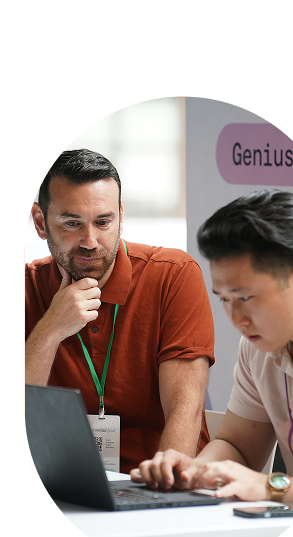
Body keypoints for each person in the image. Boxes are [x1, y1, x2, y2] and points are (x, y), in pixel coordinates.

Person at [133, 190, 293, 505]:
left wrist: (271, 488)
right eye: (224, 299)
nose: (236, 319)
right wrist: (193, 471)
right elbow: (239, 446)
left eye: (245, 298)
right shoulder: (259, 345)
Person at [24, 149, 214, 474]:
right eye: (72, 223)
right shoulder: (22, 287)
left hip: (155, 482)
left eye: (103, 222)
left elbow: (186, 407)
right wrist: (51, 328)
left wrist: (163, 490)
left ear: (120, 217)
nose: (90, 241)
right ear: (41, 222)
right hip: (63, 484)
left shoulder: (173, 274)